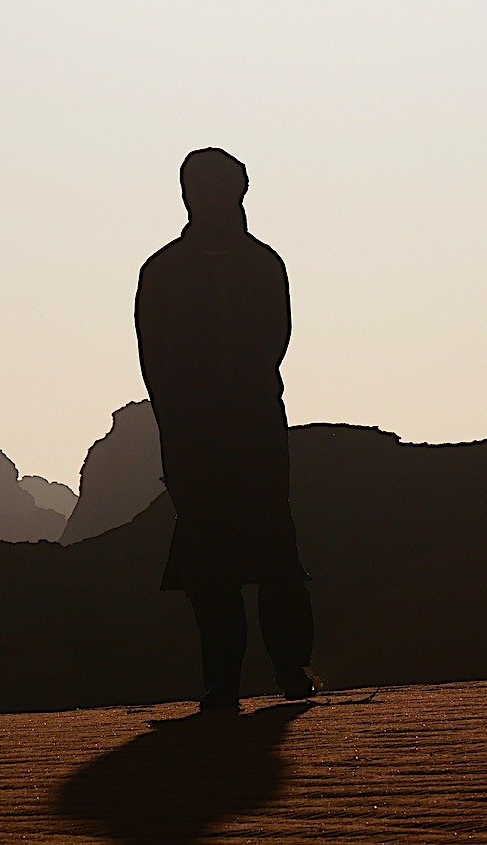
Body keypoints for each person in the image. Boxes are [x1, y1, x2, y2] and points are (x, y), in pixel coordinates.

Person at [135, 148, 316, 711]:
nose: (210, 198)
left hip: (257, 430)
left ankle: (290, 668)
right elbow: (154, 362)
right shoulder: (162, 271)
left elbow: (275, 343)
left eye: (220, 187)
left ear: (240, 191)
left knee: (275, 555)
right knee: (209, 563)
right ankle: (223, 682)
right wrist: (178, 430)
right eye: (199, 187)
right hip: (193, 437)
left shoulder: (264, 264)